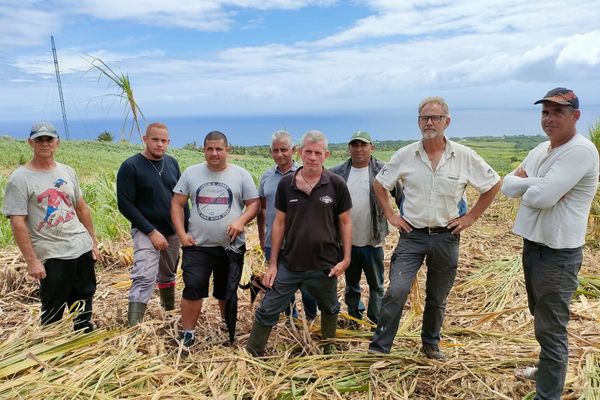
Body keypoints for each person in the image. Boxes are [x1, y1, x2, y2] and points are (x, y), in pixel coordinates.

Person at [369, 97, 501, 359]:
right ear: (418, 122)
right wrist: (391, 214)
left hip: (446, 237)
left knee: (437, 296)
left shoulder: (463, 156)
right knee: (396, 291)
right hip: (412, 236)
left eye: (435, 117)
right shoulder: (405, 155)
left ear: (446, 122)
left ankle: (430, 345)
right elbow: (379, 184)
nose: (429, 122)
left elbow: (493, 184)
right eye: (424, 118)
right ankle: (380, 347)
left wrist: (471, 216)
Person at [502, 88, 599, 400]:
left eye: (558, 111)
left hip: (558, 253)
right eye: (545, 112)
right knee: (539, 314)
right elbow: (507, 185)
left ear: (576, 116)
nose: (550, 118)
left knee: (551, 327)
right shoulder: (541, 150)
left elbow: (542, 199)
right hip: (534, 246)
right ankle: (546, 371)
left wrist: (533, 188)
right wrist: (538, 185)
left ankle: (548, 394)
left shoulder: (580, 151)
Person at [246, 130, 352, 356]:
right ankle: (253, 352)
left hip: (324, 264)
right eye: (308, 152)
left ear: (326, 154)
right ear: (301, 152)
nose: (312, 157)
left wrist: (346, 259)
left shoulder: (336, 184)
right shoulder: (286, 184)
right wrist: (273, 263)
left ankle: (328, 348)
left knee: (330, 307)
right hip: (290, 262)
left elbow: (345, 223)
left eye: (317, 152)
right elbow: (279, 224)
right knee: (268, 309)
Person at [3, 121, 100, 332]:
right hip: (52, 252)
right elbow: (17, 222)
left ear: (57, 143)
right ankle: (50, 343)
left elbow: (82, 208)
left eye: (49, 139)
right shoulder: (20, 179)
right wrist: (32, 261)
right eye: (39, 139)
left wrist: (92, 242)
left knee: (84, 294)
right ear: (30, 142)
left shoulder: (67, 171)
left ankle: (83, 334)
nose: (45, 143)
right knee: (54, 303)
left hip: (80, 245)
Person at [171, 130, 259, 346]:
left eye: (219, 149)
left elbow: (254, 204)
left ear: (227, 150)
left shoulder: (241, 174)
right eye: (210, 149)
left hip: (231, 247)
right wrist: (182, 234)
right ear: (204, 150)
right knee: (193, 287)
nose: (214, 153)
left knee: (226, 291)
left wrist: (240, 222)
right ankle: (188, 333)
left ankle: (226, 326)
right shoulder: (192, 173)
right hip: (197, 245)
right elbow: (177, 204)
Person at [117, 122, 188, 326]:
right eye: (155, 139)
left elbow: (182, 199)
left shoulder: (172, 163)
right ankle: (134, 325)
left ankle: (168, 314)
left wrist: (186, 230)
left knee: (168, 273)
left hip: (173, 229)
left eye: (163, 141)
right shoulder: (131, 166)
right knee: (145, 274)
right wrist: (151, 231)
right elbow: (125, 205)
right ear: (145, 139)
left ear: (168, 142)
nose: (159, 144)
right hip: (145, 230)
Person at [330, 131, 402, 327]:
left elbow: (400, 194)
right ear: (349, 148)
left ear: (372, 147)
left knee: (376, 285)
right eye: (355, 145)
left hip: (373, 239)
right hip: (347, 242)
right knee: (351, 285)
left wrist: (401, 218)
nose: (359, 149)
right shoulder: (337, 172)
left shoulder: (382, 170)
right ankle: (354, 317)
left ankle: (374, 319)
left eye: (363, 145)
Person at [257, 130, 318, 321]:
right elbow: (263, 209)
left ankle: (311, 319)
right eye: (275, 150)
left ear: (294, 150)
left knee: (308, 286)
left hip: (300, 243)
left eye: (284, 149)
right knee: (281, 286)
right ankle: (290, 318)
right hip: (272, 242)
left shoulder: (305, 175)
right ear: (270, 152)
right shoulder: (267, 177)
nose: (280, 154)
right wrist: (261, 237)